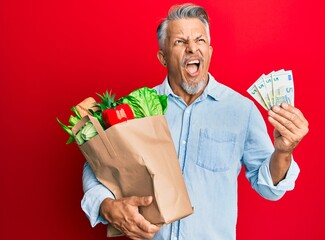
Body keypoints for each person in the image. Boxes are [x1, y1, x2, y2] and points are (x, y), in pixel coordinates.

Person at [81, 3, 309, 240]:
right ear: (163, 57)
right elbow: (97, 165)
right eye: (179, 42)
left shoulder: (241, 111)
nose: (192, 48)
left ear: (209, 51)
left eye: (199, 40)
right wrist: (105, 206)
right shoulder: (138, 107)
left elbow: (269, 189)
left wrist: (283, 152)